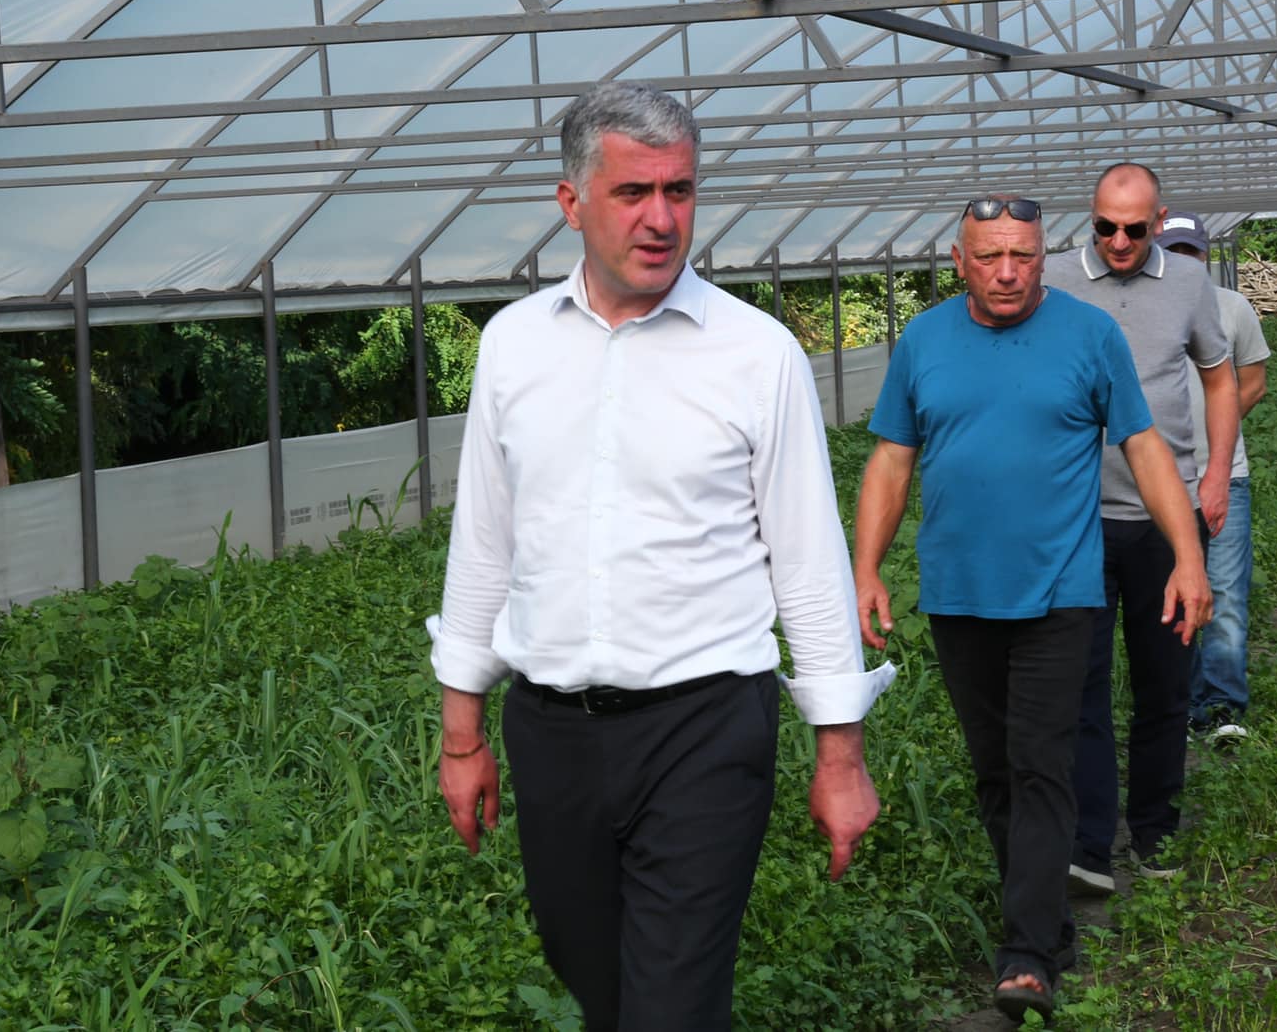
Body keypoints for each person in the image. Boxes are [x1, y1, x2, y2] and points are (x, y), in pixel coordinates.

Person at [428, 81, 891, 1032]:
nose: (661, 218)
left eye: (679, 191)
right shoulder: (514, 347)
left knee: (671, 1004)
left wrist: (839, 754)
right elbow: (483, 543)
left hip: (704, 727)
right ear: (572, 202)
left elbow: (807, 562)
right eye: (633, 192)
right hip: (552, 730)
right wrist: (462, 735)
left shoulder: (757, 355)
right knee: (594, 978)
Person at [852, 196, 1208, 1025]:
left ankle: (1027, 955)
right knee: (995, 770)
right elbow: (892, 460)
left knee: (1041, 762)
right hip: (958, 594)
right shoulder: (924, 341)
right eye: (989, 257)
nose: (1007, 273)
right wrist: (864, 568)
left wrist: (1187, 555)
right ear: (958, 261)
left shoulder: (1090, 335)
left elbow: (1144, 446)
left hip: (1060, 591)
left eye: (1022, 256)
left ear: (1044, 256)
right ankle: (1050, 923)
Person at [1044, 163, 1237, 893]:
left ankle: (1155, 831)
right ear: (1089, 218)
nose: (1118, 241)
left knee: (1164, 684)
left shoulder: (1188, 283)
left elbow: (1218, 377)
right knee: (1081, 684)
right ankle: (1089, 844)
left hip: (1165, 519)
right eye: (1104, 226)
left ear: (1158, 223)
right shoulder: (1053, 279)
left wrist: (1214, 474)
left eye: (1132, 228)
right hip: (1079, 519)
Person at [1157, 214, 1270, 746]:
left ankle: (1222, 704)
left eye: (1190, 252)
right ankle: (1179, 704)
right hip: (1161, 483)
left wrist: (1217, 438)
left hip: (1227, 477)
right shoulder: (1139, 312)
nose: (1183, 261)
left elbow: (1254, 382)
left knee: (1224, 591)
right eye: (1172, 251)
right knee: (1171, 595)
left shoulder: (1232, 308)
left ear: (1204, 256)